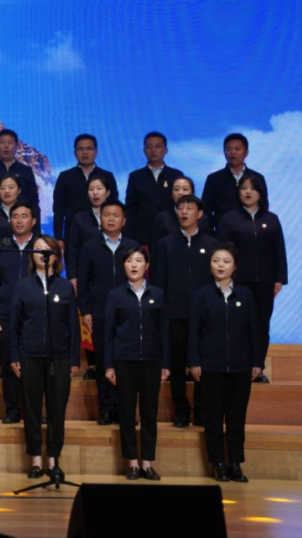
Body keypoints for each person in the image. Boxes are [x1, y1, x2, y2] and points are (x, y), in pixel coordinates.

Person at [188, 243, 265, 483]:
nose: (220, 265)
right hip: (210, 366)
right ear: (210, 265)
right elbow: (194, 332)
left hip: (241, 367)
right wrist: (194, 362)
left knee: (236, 418)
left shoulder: (246, 295)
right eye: (216, 261)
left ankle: (235, 464)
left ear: (235, 266)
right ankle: (218, 464)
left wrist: (257, 361)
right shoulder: (201, 294)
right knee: (212, 419)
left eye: (226, 261)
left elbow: (255, 331)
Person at [9, 235, 80, 480]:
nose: (41, 253)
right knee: (31, 409)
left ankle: (53, 460)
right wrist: (14, 355)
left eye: (46, 249)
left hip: (59, 357)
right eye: (37, 249)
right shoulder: (22, 286)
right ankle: (36, 460)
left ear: (56, 255)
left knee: (57, 410)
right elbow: (14, 325)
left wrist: (74, 359)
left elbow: (74, 326)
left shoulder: (65, 287)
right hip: (29, 355)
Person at [104, 247, 169, 480]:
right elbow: (108, 332)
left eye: (139, 260)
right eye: (129, 261)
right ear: (123, 266)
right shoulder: (116, 295)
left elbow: (164, 331)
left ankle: (147, 463)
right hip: (124, 359)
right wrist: (109, 365)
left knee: (150, 413)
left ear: (147, 265)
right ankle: (132, 463)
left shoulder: (158, 294)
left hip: (152, 360)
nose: (134, 265)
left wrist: (166, 363)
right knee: (127, 412)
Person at [151, 194, 216, 427]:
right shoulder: (165, 243)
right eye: (181, 208)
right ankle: (181, 412)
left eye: (189, 208)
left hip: (204, 315)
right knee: (177, 365)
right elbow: (158, 280)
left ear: (200, 214)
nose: (184, 212)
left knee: (203, 364)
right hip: (174, 313)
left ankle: (201, 411)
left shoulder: (211, 244)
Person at [215, 173, 286, 383]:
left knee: (262, 325)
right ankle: (236, 367)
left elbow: (279, 251)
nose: (248, 191)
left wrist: (279, 278)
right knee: (237, 325)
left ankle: (257, 369)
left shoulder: (271, 219)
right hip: (237, 282)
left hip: (265, 282)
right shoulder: (229, 219)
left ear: (261, 193)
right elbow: (222, 252)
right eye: (244, 187)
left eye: (253, 188)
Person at [78, 200, 139, 425]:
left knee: (127, 363)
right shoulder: (90, 247)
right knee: (104, 362)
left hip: (129, 314)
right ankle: (106, 408)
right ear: (100, 219)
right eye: (106, 215)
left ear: (124, 221)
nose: (111, 219)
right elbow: (83, 283)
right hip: (100, 313)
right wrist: (85, 311)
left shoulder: (132, 246)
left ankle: (125, 409)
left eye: (116, 215)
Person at [0, 202, 39, 423]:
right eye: (15, 216)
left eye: (24, 216)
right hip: (6, 315)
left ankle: (34, 411)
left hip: (35, 316)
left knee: (34, 365)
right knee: (10, 362)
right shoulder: (1, 249)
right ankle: (12, 410)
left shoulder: (41, 248)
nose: (19, 220)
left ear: (33, 221)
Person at [52, 134, 118, 252]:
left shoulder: (107, 176)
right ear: (75, 153)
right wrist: (58, 237)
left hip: (102, 233)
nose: (85, 152)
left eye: (89, 148)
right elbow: (58, 209)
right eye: (81, 149)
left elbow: (114, 206)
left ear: (96, 152)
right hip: (73, 235)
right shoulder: (65, 177)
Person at [0, 174, 40, 285]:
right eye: (3, 188)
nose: (7, 191)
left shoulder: (28, 211)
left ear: (19, 191)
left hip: (26, 265)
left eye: (11, 187)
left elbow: (36, 239)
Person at [124, 132, 184, 248]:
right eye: (149, 146)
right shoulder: (135, 176)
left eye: (157, 146)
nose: (153, 150)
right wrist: (129, 237)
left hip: (171, 231)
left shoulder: (176, 175)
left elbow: (182, 204)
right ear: (144, 151)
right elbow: (130, 208)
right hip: (143, 233)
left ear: (166, 150)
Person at [201, 133, 269, 232]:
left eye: (237, 149)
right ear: (224, 152)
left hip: (251, 232)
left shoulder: (258, 178)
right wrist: (213, 233)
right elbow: (205, 210)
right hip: (223, 233)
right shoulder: (214, 179)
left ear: (246, 152)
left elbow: (264, 206)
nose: (233, 152)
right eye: (229, 149)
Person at [63, 176, 113, 280]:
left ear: (108, 192)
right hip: (87, 273)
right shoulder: (80, 219)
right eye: (91, 189)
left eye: (99, 188)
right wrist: (72, 276)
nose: (95, 192)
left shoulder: (117, 217)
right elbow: (73, 250)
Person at [151, 176, 212, 255]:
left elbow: (208, 245)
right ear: (171, 194)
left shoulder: (202, 218)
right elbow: (155, 249)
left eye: (185, 189)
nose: (180, 193)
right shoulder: (162, 218)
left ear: (192, 193)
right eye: (176, 189)